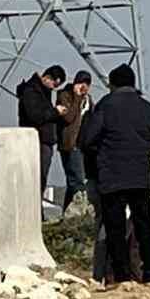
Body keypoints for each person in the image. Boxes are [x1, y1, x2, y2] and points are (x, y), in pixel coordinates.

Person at [79, 63, 150, 285]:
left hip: (112, 176)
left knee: (115, 227)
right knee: (144, 226)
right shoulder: (147, 108)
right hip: (140, 175)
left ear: (112, 83)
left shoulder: (105, 106)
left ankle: (121, 275)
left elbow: (87, 140)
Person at [16, 64, 67, 196]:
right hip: (38, 141)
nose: (54, 88)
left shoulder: (42, 92)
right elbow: (35, 116)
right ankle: (36, 209)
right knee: (38, 178)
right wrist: (55, 112)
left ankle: (38, 209)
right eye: (54, 85)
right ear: (48, 78)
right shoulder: (32, 91)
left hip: (44, 141)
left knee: (40, 179)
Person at [56, 70, 92, 209]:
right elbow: (68, 118)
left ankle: (68, 211)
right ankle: (76, 212)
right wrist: (77, 98)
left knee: (75, 181)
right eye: (81, 83)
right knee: (76, 181)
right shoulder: (64, 96)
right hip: (70, 144)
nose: (84, 87)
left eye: (87, 84)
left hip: (83, 145)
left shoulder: (88, 99)